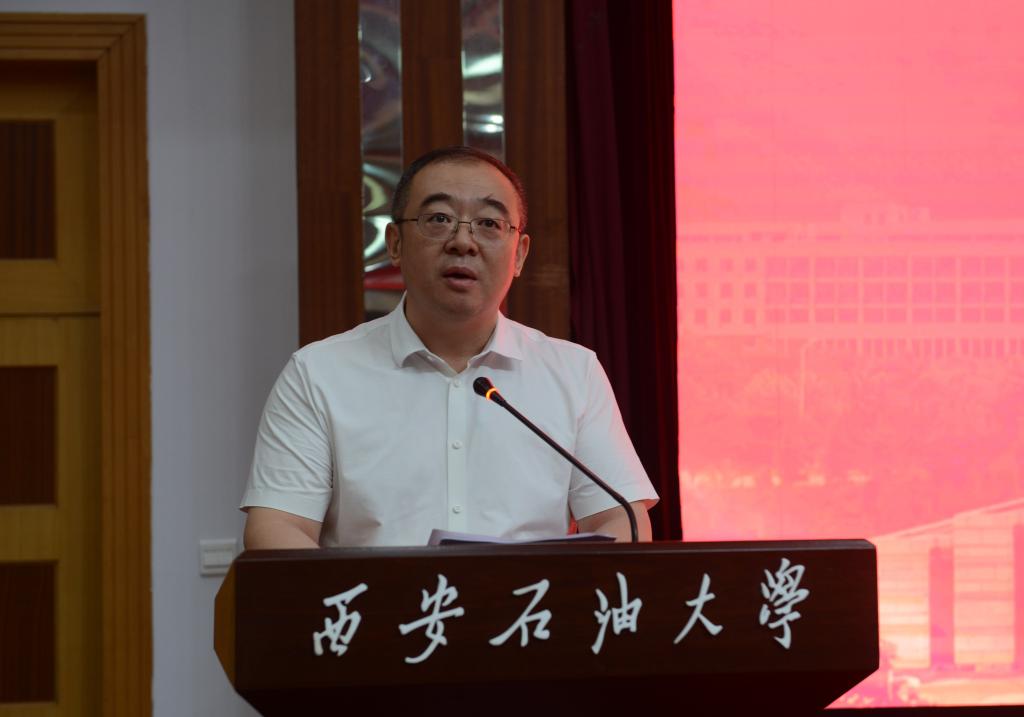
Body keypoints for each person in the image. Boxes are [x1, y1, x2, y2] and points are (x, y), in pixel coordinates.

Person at [241, 146, 657, 548]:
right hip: (377, 599)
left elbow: (621, 517)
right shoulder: (318, 373)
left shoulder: (573, 373)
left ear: (519, 254)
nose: (463, 242)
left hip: (531, 600)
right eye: (439, 219)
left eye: (489, 223)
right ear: (395, 243)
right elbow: (277, 526)